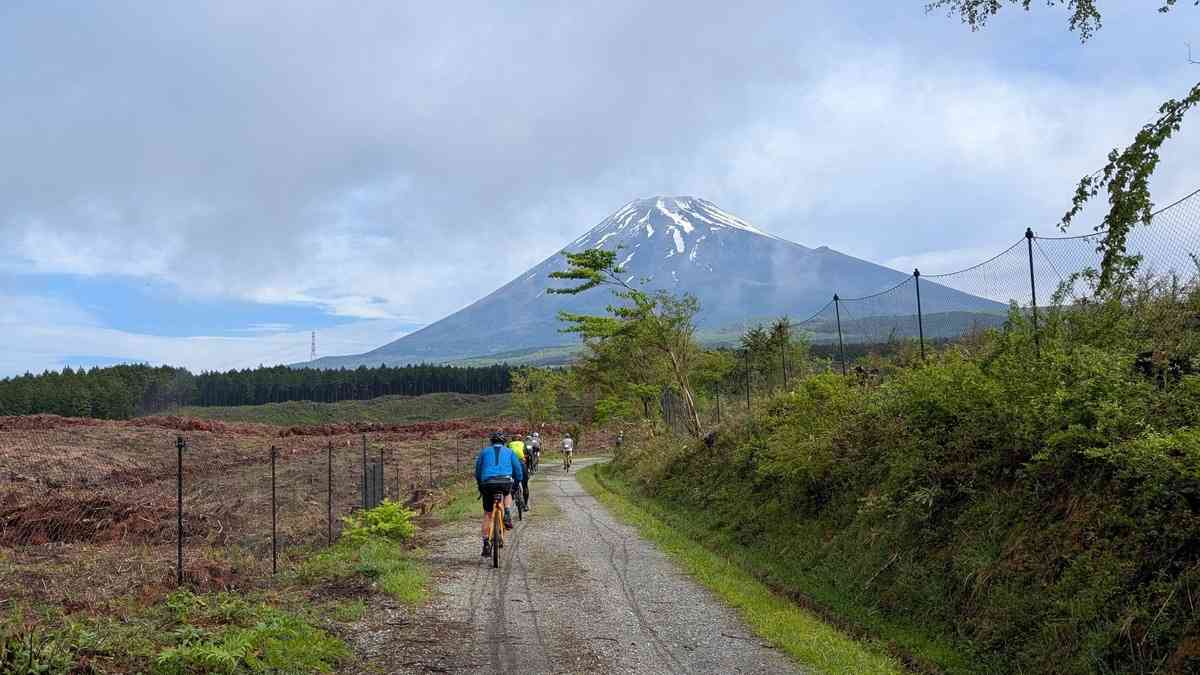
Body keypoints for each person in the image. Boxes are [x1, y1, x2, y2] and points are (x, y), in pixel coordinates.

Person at [475, 431, 524, 557]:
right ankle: (507, 512)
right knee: (507, 492)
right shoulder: (510, 452)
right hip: (505, 481)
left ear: (491, 442)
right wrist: (517, 482)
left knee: (487, 513)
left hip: (488, 483)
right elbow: (518, 470)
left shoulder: (484, 452)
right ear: (504, 442)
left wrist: (480, 484)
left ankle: (486, 543)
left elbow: (478, 470)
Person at [508, 436, 530, 510]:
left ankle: (512, 495)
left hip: (511, 465)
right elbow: (528, 454)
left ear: (512, 440)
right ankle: (526, 505)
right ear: (520, 440)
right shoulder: (523, 444)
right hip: (521, 463)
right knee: (525, 485)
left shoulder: (509, 444)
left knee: (509, 482)